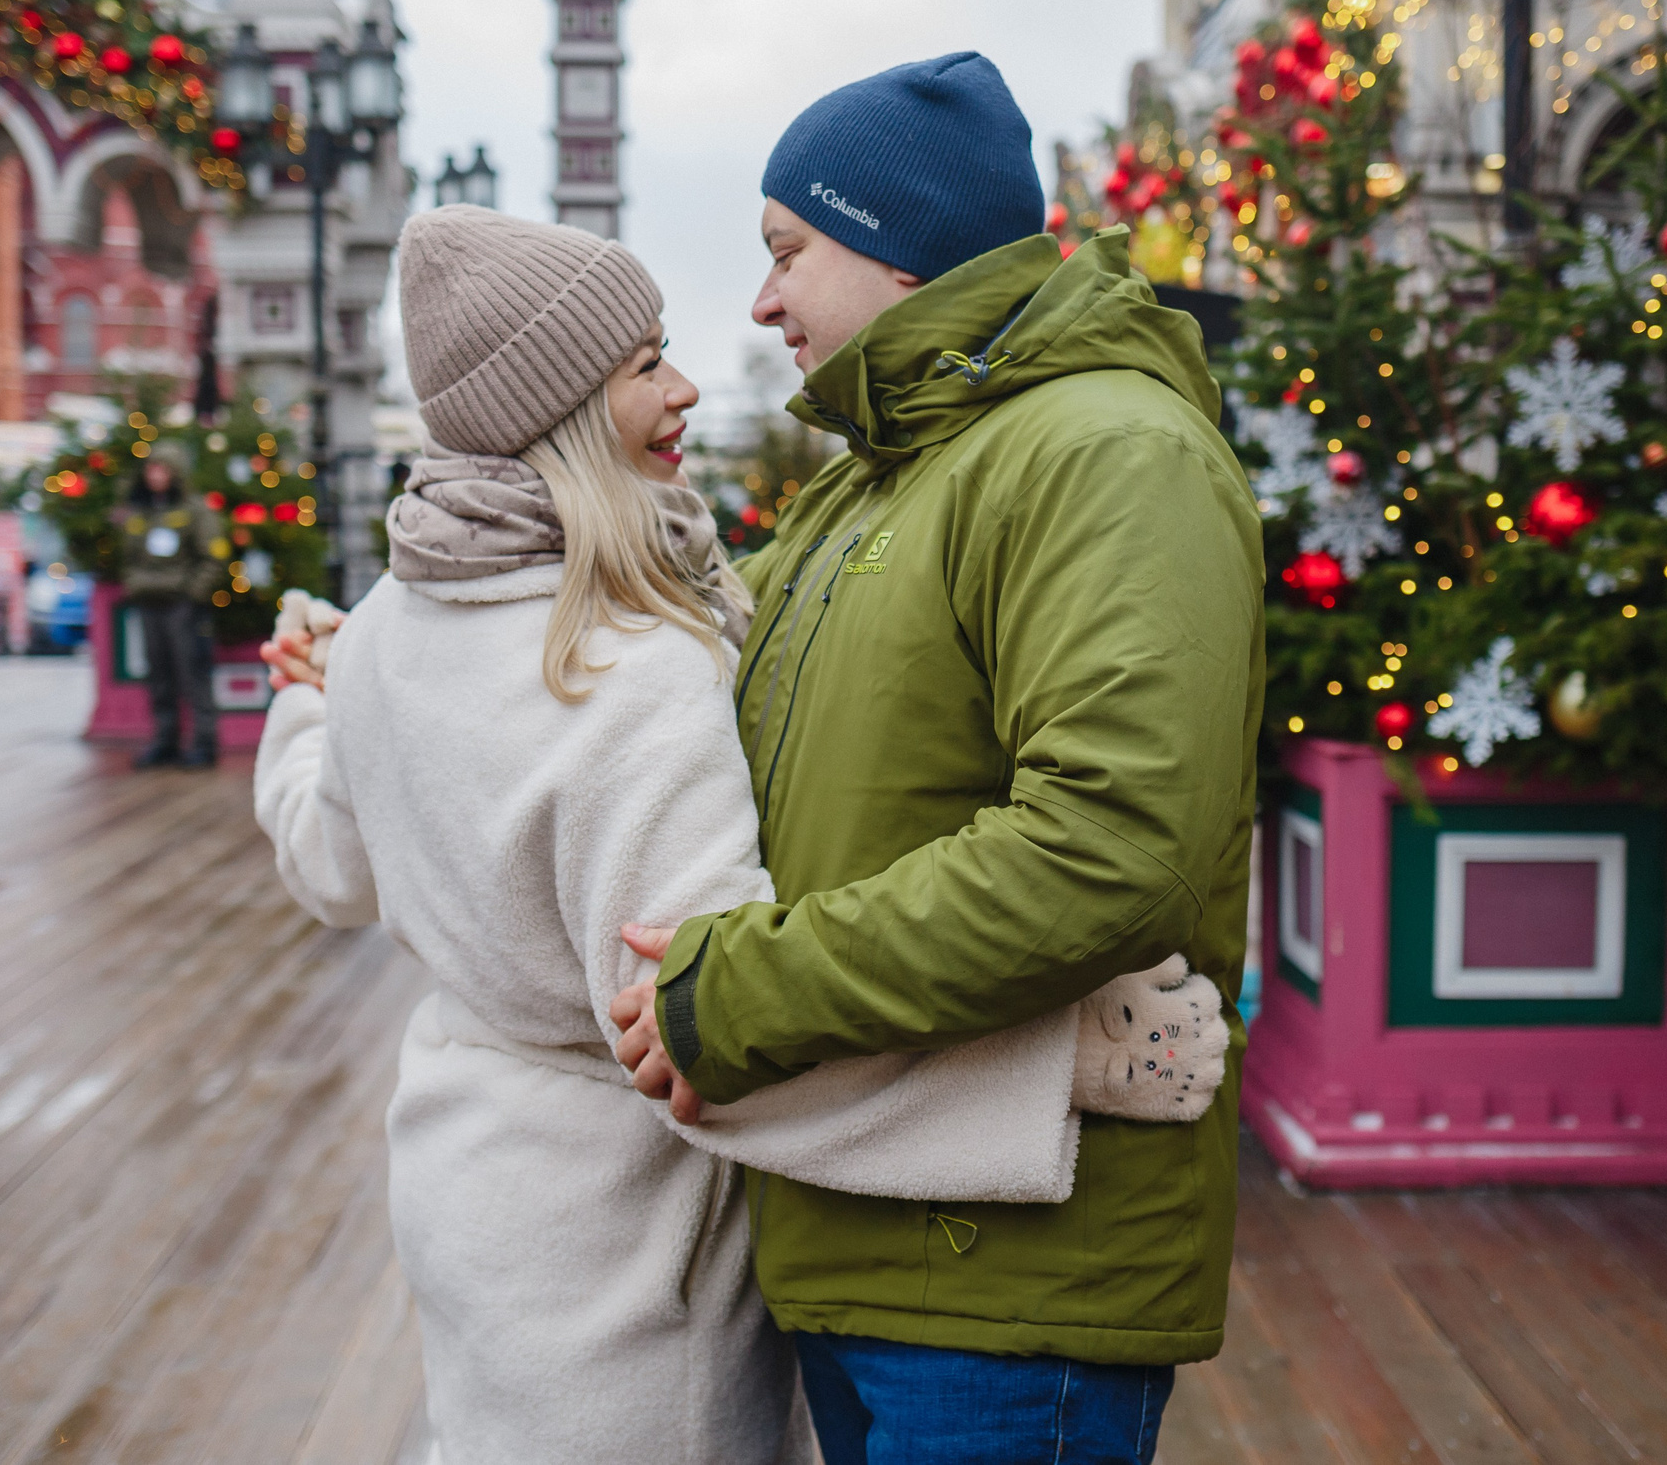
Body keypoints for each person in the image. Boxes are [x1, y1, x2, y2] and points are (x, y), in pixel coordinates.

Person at [249, 205, 1230, 1465]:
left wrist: (298, 706)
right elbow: (700, 1036)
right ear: (556, 406)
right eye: (644, 364)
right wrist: (1067, 1070)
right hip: (621, 1258)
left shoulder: (385, 627)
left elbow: (327, 865)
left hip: (468, 1189)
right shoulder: (622, 667)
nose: (689, 386)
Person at [608, 52, 1266, 1465]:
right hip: (871, 1223)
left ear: (898, 250)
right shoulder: (882, 474)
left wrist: (739, 988)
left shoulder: (1107, 455)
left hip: (1009, 1280)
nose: (763, 300)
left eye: (789, 251)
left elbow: (1106, 850)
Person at [115, 439, 225, 769]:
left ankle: (204, 742)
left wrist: (193, 593)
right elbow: (127, 556)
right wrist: (134, 583)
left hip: (182, 606)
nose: (155, 476)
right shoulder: (139, 513)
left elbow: (213, 557)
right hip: (149, 603)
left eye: (162, 469)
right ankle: (166, 740)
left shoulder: (195, 511)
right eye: (151, 468)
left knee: (191, 673)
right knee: (159, 674)